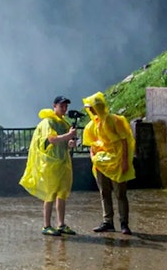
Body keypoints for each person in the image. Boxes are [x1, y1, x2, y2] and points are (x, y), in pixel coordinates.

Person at [20, 96, 79, 236]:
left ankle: (61, 224)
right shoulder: (48, 122)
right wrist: (68, 135)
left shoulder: (64, 123)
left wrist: (71, 143)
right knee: (50, 194)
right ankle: (46, 225)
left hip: (63, 162)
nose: (64, 109)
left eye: (66, 107)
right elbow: (51, 139)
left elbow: (66, 143)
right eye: (62, 106)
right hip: (51, 164)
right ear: (55, 106)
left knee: (62, 194)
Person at [82, 91, 136, 234]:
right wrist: (93, 157)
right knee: (104, 192)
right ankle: (108, 222)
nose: (90, 110)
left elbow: (124, 140)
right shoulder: (93, 125)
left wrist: (125, 161)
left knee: (120, 193)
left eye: (92, 107)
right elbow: (92, 143)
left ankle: (124, 223)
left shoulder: (114, 120)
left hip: (116, 161)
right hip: (101, 163)